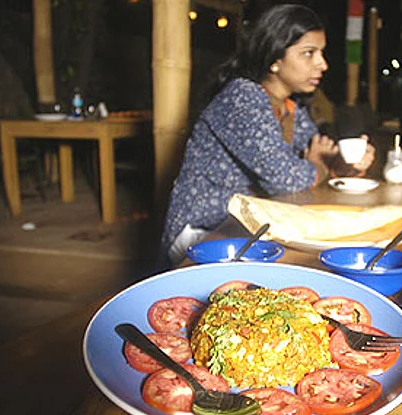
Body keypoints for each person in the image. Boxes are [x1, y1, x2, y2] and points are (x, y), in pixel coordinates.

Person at [160, 4, 375, 268]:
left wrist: (345, 162)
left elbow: (316, 157)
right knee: (310, 263)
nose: (323, 64)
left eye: (321, 53)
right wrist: (319, 165)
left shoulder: (291, 107)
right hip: (204, 231)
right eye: (309, 53)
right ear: (275, 59)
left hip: (250, 224)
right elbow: (286, 180)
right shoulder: (242, 98)